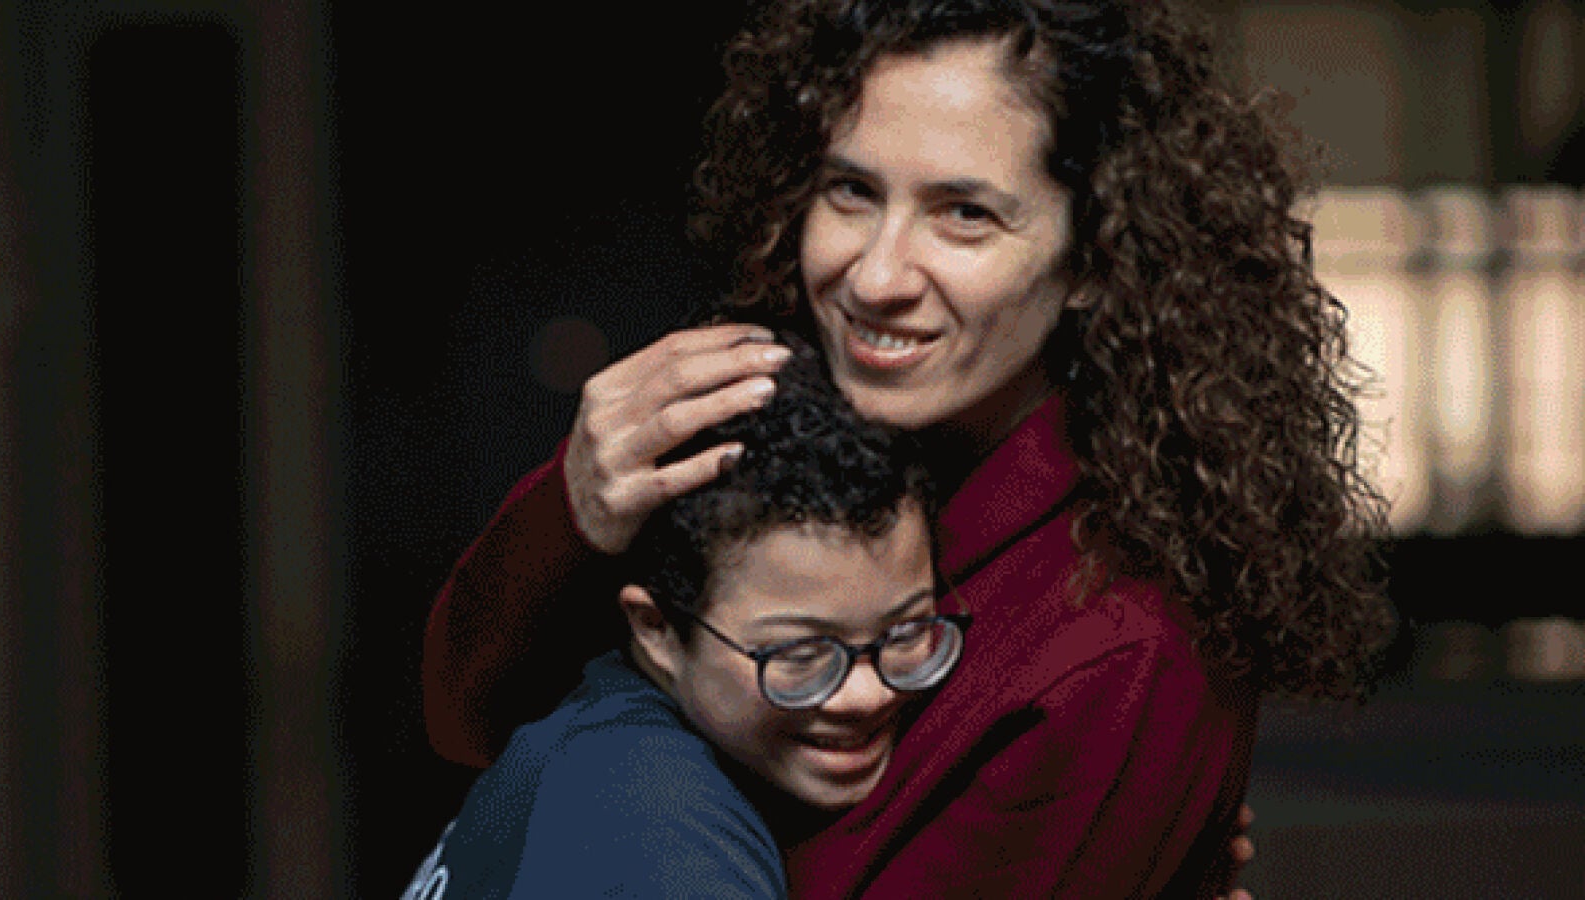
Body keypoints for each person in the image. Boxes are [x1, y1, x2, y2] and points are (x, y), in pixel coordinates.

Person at [423, 1, 1395, 896]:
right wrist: (576, 508)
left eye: (964, 214)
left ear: (1096, 259)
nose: (875, 276)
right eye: (850, 191)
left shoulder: (1116, 646)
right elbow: (471, 726)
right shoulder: (765, 420)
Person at [405, 344, 966, 898]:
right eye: (800, 654)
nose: (867, 695)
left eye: (906, 633)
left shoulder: (593, 744)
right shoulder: (655, 835)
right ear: (657, 629)